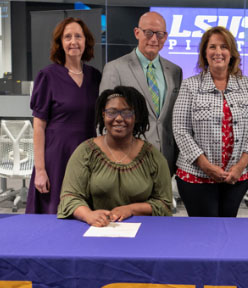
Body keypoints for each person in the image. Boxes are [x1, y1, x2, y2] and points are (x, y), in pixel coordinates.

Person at [172, 26, 248, 217]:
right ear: (205, 53)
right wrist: (206, 166)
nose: (218, 52)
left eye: (224, 47)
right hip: (196, 177)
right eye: (212, 47)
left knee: (227, 230)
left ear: (232, 53)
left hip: (236, 177)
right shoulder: (190, 85)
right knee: (203, 234)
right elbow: (180, 129)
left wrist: (240, 166)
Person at [57, 86, 173, 226]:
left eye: (126, 112)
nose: (119, 118)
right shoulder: (85, 152)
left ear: (136, 116)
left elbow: (164, 204)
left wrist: (130, 209)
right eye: (111, 112)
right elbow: (70, 197)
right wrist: (88, 215)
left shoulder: (152, 156)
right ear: (103, 114)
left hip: (144, 230)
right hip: (96, 228)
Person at [26, 17, 101, 214]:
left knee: (85, 212)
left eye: (78, 36)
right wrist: (40, 170)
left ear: (86, 41)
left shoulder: (95, 77)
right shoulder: (47, 76)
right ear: (60, 43)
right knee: (54, 213)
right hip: (56, 157)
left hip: (87, 155)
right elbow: (39, 127)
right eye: (67, 37)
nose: (73, 42)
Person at [99, 11, 182, 176]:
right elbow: (103, 120)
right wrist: (109, 159)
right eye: (148, 32)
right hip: (128, 160)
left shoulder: (175, 71)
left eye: (160, 34)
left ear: (165, 37)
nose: (154, 39)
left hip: (166, 161)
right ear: (137, 33)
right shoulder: (115, 68)